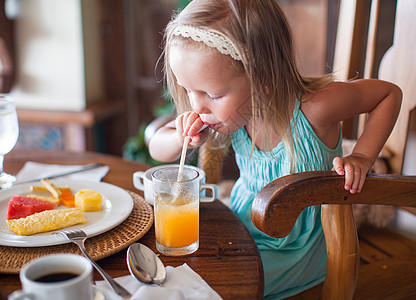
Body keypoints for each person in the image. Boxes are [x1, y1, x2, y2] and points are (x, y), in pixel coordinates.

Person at [149, 0, 402, 298]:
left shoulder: (315, 108)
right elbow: (157, 149)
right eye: (188, 90)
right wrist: (181, 137)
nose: (197, 105)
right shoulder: (230, 115)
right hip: (242, 228)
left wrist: (362, 155)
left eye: (212, 94)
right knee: (171, 269)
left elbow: (388, 94)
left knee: (212, 288)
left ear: (263, 77)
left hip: (297, 249)